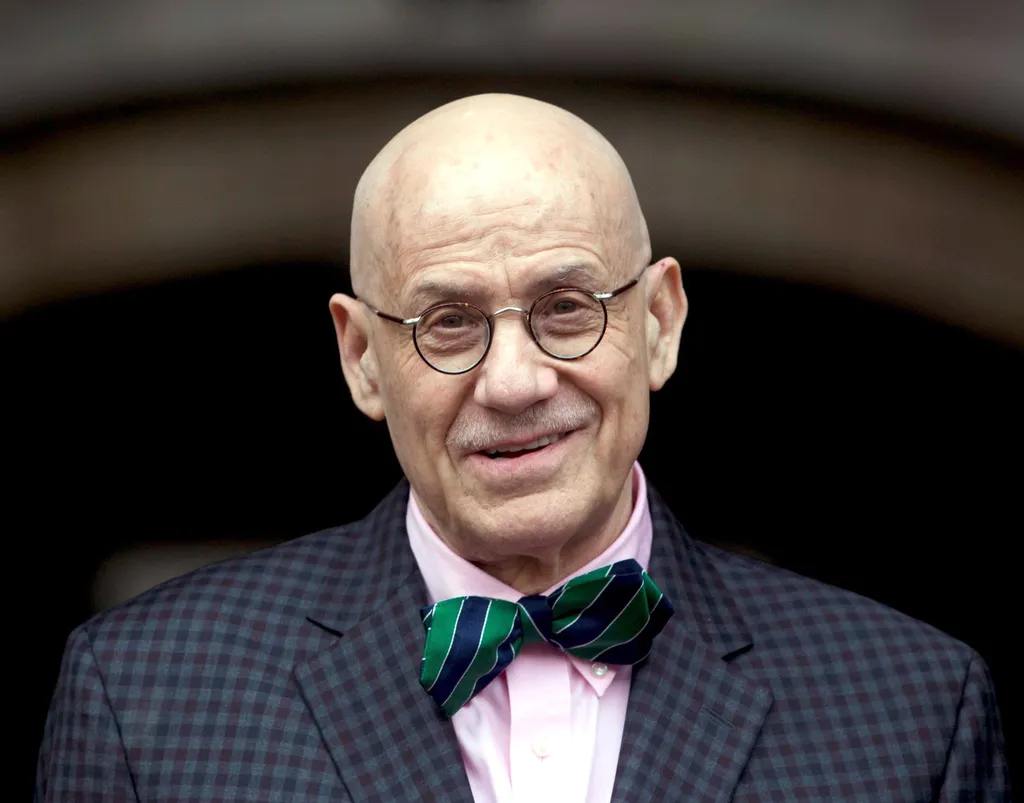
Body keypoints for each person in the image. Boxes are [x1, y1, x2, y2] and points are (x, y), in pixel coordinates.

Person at [36, 94, 1010, 802]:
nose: (513, 381)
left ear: (660, 322)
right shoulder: (144, 694)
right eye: (449, 322)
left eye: (567, 307)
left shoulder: (915, 708)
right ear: (362, 357)